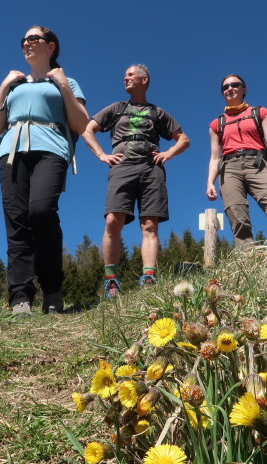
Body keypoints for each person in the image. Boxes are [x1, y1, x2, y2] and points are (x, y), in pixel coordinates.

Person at [0, 26, 88, 315]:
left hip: (51, 148)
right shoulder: (14, 84)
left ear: (51, 46)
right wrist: (4, 87)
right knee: (17, 220)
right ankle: (20, 297)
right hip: (11, 151)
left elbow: (81, 124)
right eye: (24, 40)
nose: (27, 43)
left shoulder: (66, 81)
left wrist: (63, 85)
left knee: (41, 211)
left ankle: (52, 289)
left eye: (34, 38)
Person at [82, 65, 190, 298]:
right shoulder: (117, 108)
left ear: (145, 79)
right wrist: (102, 155)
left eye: (131, 74)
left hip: (152, 168)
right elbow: (88, 130)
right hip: (122, 166)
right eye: (125, 75)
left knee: (150, 224)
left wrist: (168, 154)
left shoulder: (157, 112)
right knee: (113, 220)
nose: (126, 77)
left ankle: (149, 278)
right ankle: (111, 281)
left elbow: (183, 140)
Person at [206, 74, 267, 248]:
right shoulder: (216, 124)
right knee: (237, 216)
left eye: (234, 84)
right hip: (229, 168)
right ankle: (248, 261)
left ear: (243, 89)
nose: (229, 89)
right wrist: (210, 182)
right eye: (225, 87)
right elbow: (215, 157)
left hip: (257, 164)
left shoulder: (259, 113)